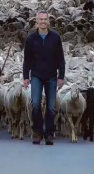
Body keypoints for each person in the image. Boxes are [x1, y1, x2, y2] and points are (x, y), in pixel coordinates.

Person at [23, 11, 65, 145]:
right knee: (35, 103)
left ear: (48, 21)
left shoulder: (55, 37)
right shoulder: (31, 38)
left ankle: (49, 133)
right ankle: (37, 131)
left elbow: (60, 58)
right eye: (40, 19)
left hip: (51, 76)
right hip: (36, 75)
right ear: (36, 21)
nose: (43, 21)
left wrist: (61, 76)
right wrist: (25, 76)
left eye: (45, 19)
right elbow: (27, 59)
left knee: (51, 106)